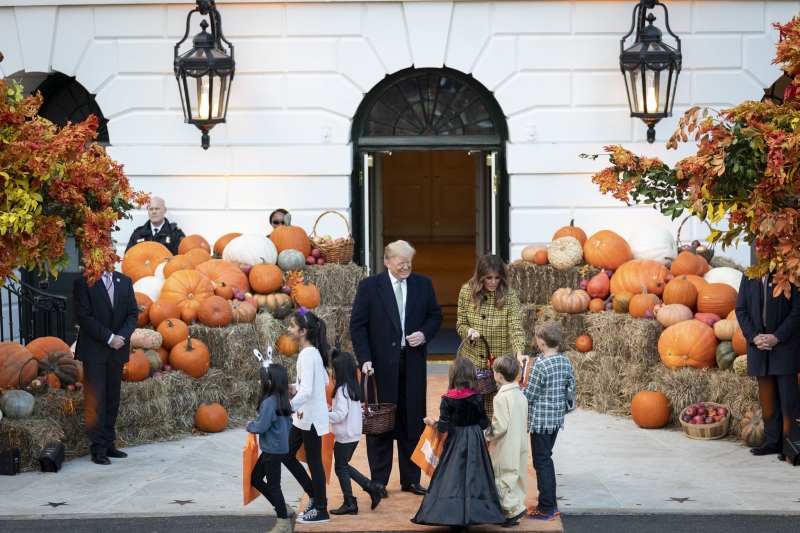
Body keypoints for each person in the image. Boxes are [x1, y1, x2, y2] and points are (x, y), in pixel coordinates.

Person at [350, 240, 443, 497]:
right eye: (401, 262)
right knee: (380, 423)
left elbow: (435, 316)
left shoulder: (423, 284)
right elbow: (358, 326)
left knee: (412, 420)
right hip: (379, 366)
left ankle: (410, 479)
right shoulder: (369, 286)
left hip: (412, 362)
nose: (406, 266)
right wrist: (364, 359)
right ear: (387, 262)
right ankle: (378, 481)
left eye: (409, 261)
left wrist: (423, 334)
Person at [411, 357, 505, 532]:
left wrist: (431, 422)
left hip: (455, 442)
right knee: (474, 476)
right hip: (475, 440)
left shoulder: (447, 399)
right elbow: (483, 422)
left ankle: (454, 517)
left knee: (453, 477)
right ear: (472, 375)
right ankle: (472, 515)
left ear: (453, 375)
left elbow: (444, 426)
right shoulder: (477, 397)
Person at [72, 270, 138, 465]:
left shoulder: (124, 281)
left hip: (117, 349)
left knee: (112, 398)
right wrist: (109, 338)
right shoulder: (83, 282)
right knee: (96, 401)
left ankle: (109, 442)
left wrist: (121, 338)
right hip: (95, 350)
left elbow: (132, 313)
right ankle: (98, 448)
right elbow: (84, 317)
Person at [736, 272, 800, 460]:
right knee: (768, 399)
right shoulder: (748, 277)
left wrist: (777, 337)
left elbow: (797, 310)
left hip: (784, 345)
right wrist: (754, 337)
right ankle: (773, 442)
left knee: (789, 400)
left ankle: (792, 447)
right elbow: (741, 309)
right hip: (759, 346)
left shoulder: (789, 275)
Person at [456, 254, 528, 416]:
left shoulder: (510, 296)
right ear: (480, 276)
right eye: (489, 277)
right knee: (473, 414)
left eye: (497, 277)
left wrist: (519, 352)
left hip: (499, 365)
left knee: (498, 416)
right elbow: (460, 324)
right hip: (473, 361)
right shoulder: (466, 292)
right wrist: (468, 331)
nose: (494, 282)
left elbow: (515, 326)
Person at [281, 309, 331, 524]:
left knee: (314, 462)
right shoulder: (312, 353)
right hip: (304, 417)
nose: (289, 329)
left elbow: (308, 390)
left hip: (308, 418)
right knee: (287, 453)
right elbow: (324, 383)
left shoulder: (307, 354)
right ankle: (316, 496)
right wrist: (291, 386)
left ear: (303, 331)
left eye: (292, 326)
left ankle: (321, 509)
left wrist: (288, 407)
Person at [522, 321, 575, 522]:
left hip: (540, 421)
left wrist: (514, 388)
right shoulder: (565, 361)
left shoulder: (540, 364)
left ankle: (546, 507)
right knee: (546, 458)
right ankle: (549, 502)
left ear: (541, 342)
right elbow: (571, 388)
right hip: (555, 420)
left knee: (541, 461)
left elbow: (530, 394)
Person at [327, 349, 385, 515]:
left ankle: (351, 501)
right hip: (352, 433)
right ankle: (371, 487)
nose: (331, 372)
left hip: (345, 435)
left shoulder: (340, 390)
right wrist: (331, 409)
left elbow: (340, 414)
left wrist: (323, 414)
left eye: (333, 369)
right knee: (343, 466)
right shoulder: (350, 388)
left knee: (340, 468)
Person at [247, 364, 297, 533]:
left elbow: (261, 427)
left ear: (269, 382)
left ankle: (283, 523)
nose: (258, 381)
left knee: (274, 485)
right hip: (277, 448)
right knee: (256, 478)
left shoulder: (269, 402)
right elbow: (289, 423)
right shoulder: (283, 401)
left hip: (272, 450)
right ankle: (284, 508)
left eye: (260, 379)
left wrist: (249, 425)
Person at [485, 356, 529, 527]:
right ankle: (513, 509)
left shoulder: (500, 398)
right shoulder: (520, 395)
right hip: (519, 441)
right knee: (516, 475)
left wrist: (486, 433)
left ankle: (513, 509)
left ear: (499, 375)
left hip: (505, 444)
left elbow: (500, 425)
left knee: (501, 476)